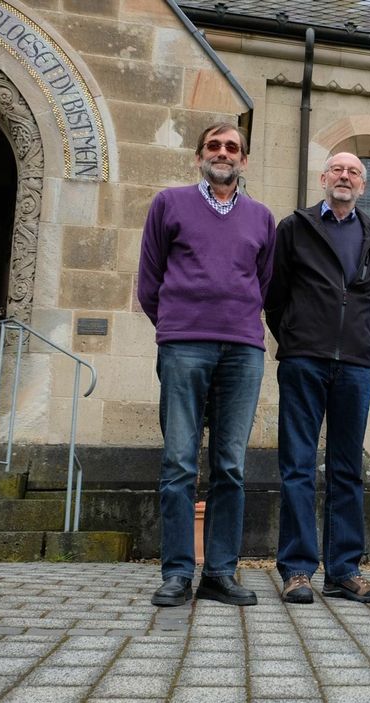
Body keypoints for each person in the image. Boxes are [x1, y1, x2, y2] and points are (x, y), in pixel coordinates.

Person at [139, 122, 276, 607]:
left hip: (242, 348)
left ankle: (219, 572)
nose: (223, 153)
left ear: (244, 160)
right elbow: (149, 279)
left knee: (230, 465)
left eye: (232, 147)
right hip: (184, 346)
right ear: (199, 155)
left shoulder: (261, 217)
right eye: (214, 145)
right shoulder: (169, 204)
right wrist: (177, 325)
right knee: (178, 462)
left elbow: (263, 281)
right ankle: (177, 573)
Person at [265, 152, 370, 604]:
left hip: (356, 365)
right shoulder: (294, 228)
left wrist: (360, 344)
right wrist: (298, 335)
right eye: (337, 170)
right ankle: (297, 569)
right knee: (298, 465)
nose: (345, 177)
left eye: (354, 172)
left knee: (347, 468)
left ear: (363, 185)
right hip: (304, 358)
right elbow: (275, 294)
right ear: (323, 178)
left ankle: (343, 571)